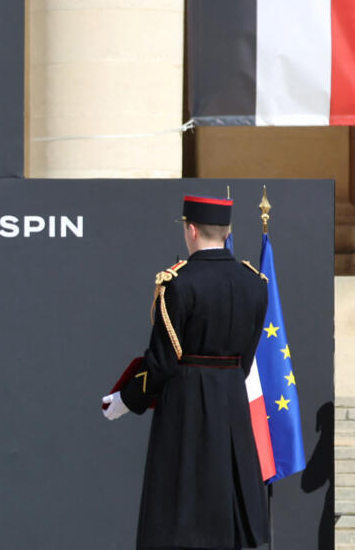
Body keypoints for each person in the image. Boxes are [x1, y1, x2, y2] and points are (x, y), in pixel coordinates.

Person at [102, 195, 270, 549]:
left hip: (187, 400)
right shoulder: (255, 283)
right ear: (227, 232)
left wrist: (125, 399)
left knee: (181, 501)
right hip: (231, 398)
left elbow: (162, 362)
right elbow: (248, 355)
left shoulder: (178, 283)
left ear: (191, 230)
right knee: (226, 498)